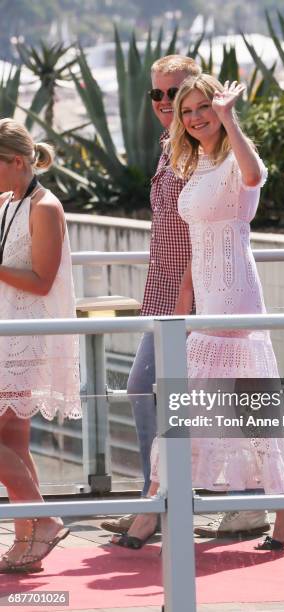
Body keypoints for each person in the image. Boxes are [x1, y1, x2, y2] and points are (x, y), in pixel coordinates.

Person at [111, 74, 284, 551]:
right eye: (188, 110)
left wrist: (229, 118)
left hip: (234, 296)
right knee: (245, 407)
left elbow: (255, 176)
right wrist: (182, 307)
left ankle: (151, 513)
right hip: (206, 296)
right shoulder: (195, 159)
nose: (196, 117)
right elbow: (195, 245)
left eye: (204, 108)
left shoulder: (232, 156)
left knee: (195, 405)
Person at [0, 119, 81, 573]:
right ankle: (26, 539)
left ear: (16, 162)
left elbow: (42, 279)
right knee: (13, 441)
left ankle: (45, 522)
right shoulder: (8, 201)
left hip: (26, 339)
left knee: (8, 441)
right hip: (7, 333)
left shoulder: (44, 206)